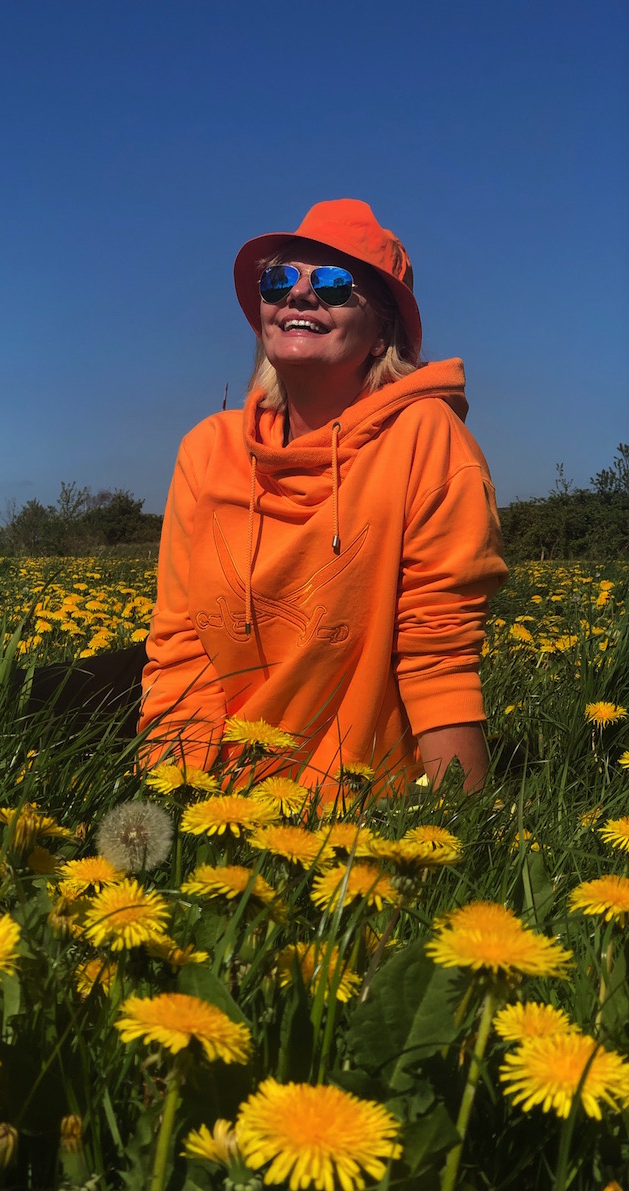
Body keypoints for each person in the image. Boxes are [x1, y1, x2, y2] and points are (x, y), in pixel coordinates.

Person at [139, 198, 508, 795]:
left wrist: (457, 839)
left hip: (351, 807)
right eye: (279, 279)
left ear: (383, 329)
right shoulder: (206, 450)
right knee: (13, 693)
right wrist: (173, 804)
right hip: (217, 790)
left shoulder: (427, 439)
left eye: (336, 285)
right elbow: (181, 647)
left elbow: (439, 657)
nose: (300, 295)